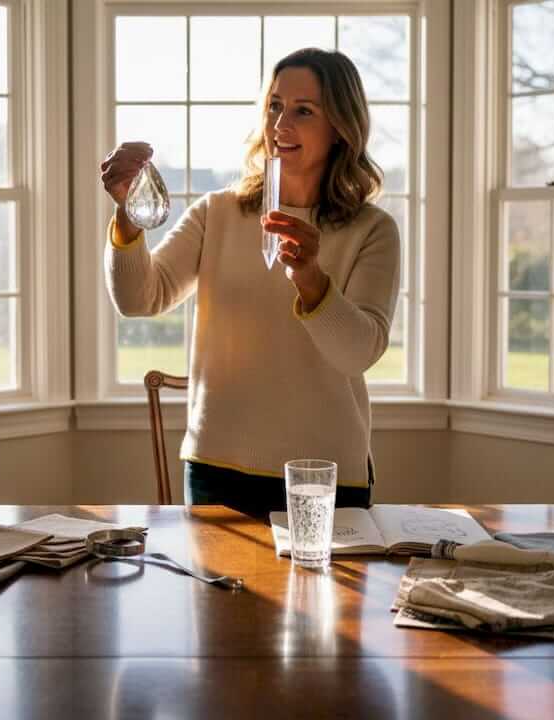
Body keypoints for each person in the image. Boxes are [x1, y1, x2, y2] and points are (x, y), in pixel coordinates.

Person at [99, 48, 400, 519]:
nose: (281, 123)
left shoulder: (373, 230)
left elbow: (357, 353)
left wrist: (311, 278)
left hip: (324, 475)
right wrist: (128, 215)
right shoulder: (217, 212)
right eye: (275, 105)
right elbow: (139, 298)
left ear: (341, 127)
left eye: (304, 110)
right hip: (217, 467)